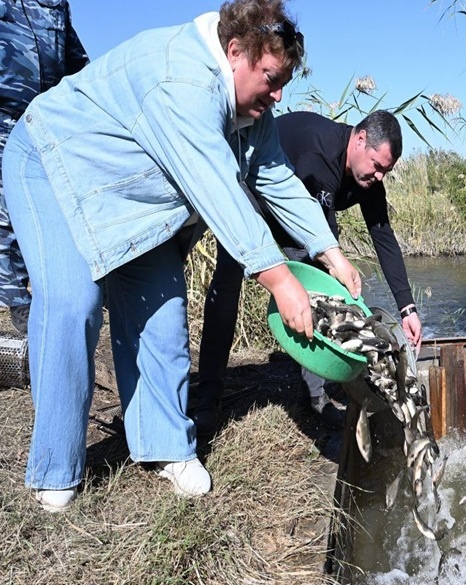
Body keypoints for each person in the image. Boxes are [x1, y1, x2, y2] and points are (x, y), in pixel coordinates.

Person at [0, 0, 361, 513]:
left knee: (164, 317)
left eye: (284, 83)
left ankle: (165, 446)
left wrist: (331, 253)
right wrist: (282, 281)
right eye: (271, 78)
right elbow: (219, 188)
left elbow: (275, 175)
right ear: (235, 51)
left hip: (128, 200)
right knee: (71, 303)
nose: (278, 95)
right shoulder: (182, 80)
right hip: (52, 162)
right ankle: (55, 468)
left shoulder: (251, 109)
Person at [194, 110, 422, 434]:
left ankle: (317, 390)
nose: (380, 176)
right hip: (249, 189)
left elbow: (383, 237)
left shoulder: (369, 178)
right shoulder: (321, 158)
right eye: (377, 165)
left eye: (387, 170)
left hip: (294, 201)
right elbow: (316, 245)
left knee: (323, 285)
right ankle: (209, 399)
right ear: (359, 140)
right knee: (230, 280)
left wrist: (407, 308)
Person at [0, 0, 89, 334]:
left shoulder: (54, 3)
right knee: (4, 214)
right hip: (3, 115)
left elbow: (75, 59)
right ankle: (20, 304)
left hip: (46, 119)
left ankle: (57, 295)